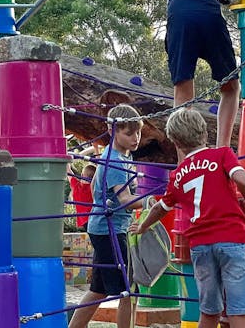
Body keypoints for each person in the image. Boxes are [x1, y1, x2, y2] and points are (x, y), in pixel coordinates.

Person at [131, 108, 245, 328]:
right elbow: (244, 181)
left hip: (200, 246)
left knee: (209, 311)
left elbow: (161, 208)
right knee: (239, 311)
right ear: (205, 134)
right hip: (233, 239)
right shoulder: (222, 154)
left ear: (176, 143)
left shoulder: (177, 175)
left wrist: (143, 226)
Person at [148, 0, 240, 148]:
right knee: (231, 87)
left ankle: (185, 158)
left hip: (181, 21)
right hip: (210, 19)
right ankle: (223, 149)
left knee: (183, 92)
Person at [69, 104, 145, 328]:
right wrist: (158, 200)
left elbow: (95, 185)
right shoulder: (115, 161)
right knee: (129, 291)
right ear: (113, 131)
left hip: (103, 227)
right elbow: (125, 200)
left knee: (98, 290)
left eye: (138, 132)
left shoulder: (115, 157)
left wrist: (101, 203)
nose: (135, 138)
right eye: (128, 133)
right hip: (110, 230)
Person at [68, 162, 97, 231]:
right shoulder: (94, 188)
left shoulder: (76, 186)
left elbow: (69, 172)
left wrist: (67, 161)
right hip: (94, 218)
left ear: (81, 175)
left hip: (83, 222)